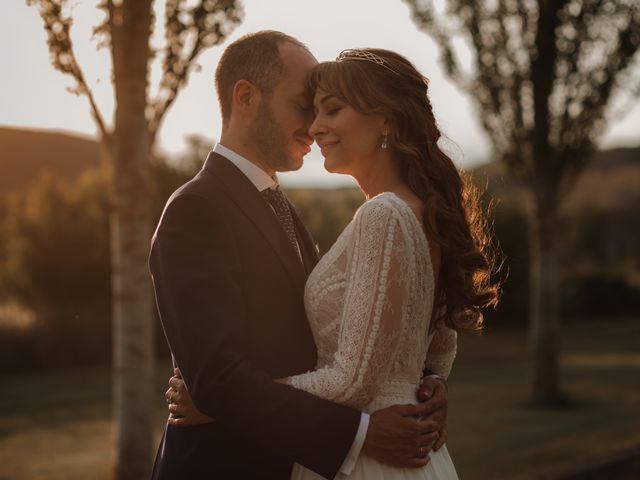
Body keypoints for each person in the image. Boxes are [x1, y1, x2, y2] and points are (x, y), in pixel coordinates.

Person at [165, 46, 501, 479]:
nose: (314, 125)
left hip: (372, 457)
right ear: (245, 98)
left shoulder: (381, 214)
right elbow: (436, 348)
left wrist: (218, 400)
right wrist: (429, 383)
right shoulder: (200, 207)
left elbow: (357, 376)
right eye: (306, 107)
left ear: (385, 118)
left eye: (330, 109)